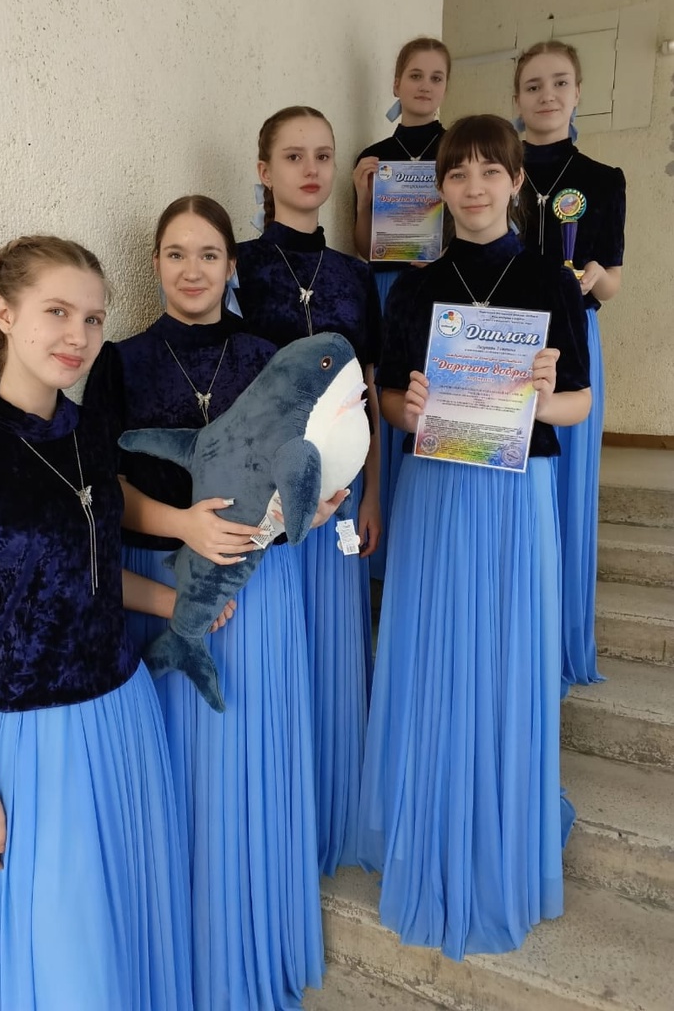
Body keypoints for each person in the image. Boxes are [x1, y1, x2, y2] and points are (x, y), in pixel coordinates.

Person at [0, 236, 193, 1008]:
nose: (79, 336)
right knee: (69, 958)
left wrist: (176, 602)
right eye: (57, 312)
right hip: (34, 743)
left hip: (126, 713)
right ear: (4, 315)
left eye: (93, 318)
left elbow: (87, 576)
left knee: (129, 934)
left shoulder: (92, 433)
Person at [82, 196, 325, 1011]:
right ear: (155, 263)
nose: (193, 271)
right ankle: (183, 949)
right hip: (161, 580)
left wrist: (316, 501)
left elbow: (317, 458)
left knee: (247, 754)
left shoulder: (269, 353)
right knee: (179, 769)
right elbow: (102, 485)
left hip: (261, 586)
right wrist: (183, 523)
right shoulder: (118, 363)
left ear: (231, 265)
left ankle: (247, 936)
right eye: (177, 254)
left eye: (209, 254)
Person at [358, 115, 591, 961]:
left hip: (516, 494)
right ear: (442, 188)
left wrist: (544, 397)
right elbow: (388, 400)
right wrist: (407, 408)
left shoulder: (551, 280)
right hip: (436, 490)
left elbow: (579, 403)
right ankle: (431, 809)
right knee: (435, 650)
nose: (475, 186)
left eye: (492, 171)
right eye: (459, 173)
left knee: (503, 654)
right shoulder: (416, 288)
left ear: (517, 183)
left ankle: (499, 823)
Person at [234, 106, 381, 876]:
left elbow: (370, 387)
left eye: (323, 155)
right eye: (294, 156)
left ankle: (330, 810)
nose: (312, 169)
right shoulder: (237, 266)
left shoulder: (356, 274)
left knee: (332, 654)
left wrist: (374, 493)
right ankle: (283, 822)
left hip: (344, 495)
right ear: (264, 170)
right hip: (267, 499)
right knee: (280, 657)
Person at [513, 40, 626, 690]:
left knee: (563, 492)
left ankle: (556, 643)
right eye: (533, 85)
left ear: (578, 92)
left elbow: (613, 283)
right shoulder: (495, 169)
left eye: (559, 83)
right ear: (517, 98)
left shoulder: (603, 179)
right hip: (503, 344)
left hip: (573, 338)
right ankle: (513, 632)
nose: (547, 95)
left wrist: (591, 276)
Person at [352, 37, 451, 579]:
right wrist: (364, 197)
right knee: (384, 399)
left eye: (436, 77)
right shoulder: (374, 156)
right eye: (415, 75)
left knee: (422, 404)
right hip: (386, 287)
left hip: (437, 293)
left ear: (446, 88)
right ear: (396, 83)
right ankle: (379, 554)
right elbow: (363, 245)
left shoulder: (457, 152)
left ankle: (419, 550)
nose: (424, 86)